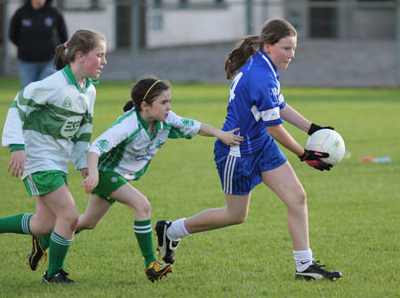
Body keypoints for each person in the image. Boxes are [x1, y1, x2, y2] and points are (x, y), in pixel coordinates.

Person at [155, 19, 343, 281]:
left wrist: (312, 129)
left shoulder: (266, 66)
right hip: (237, 150)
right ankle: (172, 231)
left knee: (297, 197)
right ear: (268, 46)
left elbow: (280, 106)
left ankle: (305, 266)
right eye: (286, 48)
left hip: (260, 145)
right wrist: (303, 154)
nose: (292, 55)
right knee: (235, 215)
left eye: (294, 49)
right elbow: (274, 127)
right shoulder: (261, 75)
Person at [27, 76, 243, 282]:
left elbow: (195, 126)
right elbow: (95, 148)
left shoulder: (166, 119)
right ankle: (151, 264)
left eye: (170, 101)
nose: (169, 107)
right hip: (105, 174)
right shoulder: (128, 124)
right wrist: (93, 173)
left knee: (88, 222)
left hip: (118, 176)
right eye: (163, 102)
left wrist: (220, 134)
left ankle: (43, 240)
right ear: (145, 105)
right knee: (142, 206)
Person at [0, 29, 107, 284]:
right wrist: (16, 146)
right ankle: (54, 274)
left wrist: (82, 162)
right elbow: (18, 106)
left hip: (58, 161)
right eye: (100, 55)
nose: (104, 62)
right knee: (70, 216)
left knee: (44, 225)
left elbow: (83, 131)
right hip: (38, 160)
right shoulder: (53, 85)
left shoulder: (89, 91)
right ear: (80, 56)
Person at [9, 0, 68, 88]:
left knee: (46, 94)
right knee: (28, 96)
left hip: (50, 62)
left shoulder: (55, 13)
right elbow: (13, 35)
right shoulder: (21, 13)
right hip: (27, 62)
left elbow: (63, 36)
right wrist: (25, 47)